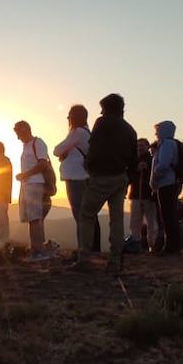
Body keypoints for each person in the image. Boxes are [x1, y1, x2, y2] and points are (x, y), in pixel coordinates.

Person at [78, 93, 137, 273]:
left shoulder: (102, 123)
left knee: (86, 215)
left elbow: (94, 148)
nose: (101, 112)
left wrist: (89, 167)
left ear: (107, 108)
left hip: (101, 176)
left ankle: (84, 259)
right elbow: (133, 159)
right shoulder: (130, 130)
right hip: (121, 177)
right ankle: (114, 261)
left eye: (102, 108)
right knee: (116, 219)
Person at [53, 105, 96, 252]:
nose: (68, 119)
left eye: (69, 116)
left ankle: (83, 249)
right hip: (83, 177)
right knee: (86, 215)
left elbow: (57, 150)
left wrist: (63, 153)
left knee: (79, 215)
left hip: (76, 178)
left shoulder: (77, 132)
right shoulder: (86, 132)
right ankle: (88, 248)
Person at [13, 121, 53, 261]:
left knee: (35, 218)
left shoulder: (38, 143)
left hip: (35, 184)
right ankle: (37, 249)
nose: (18, 137)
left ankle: (38, 252)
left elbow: (43, 164)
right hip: (28, 185)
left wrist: (25, 175)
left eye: (19, 133)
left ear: (27, 130)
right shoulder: (27, 146)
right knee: (33, 219)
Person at [151, 121, 183, 255]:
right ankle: (173, 246)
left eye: (158, 130)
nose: (156, 133)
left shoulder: (167, 144)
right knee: (170, 215)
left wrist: (155, 177)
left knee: (167, 216)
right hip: (170, 183)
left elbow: (163, 164)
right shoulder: (170, 144)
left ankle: (170, 247)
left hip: (166, 184)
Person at [127, 138, 160, 252]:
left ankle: (153, 245)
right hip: (136, 196)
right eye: (138, 146)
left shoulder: (153, 160)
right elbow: (128, 177)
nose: (140, 148)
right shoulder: (133, 161)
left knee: (151, 222)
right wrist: (136, 169)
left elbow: (156, 175)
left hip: (149, 196)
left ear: (147, 147)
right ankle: (136, 245)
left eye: (142, 145)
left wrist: (147, 169)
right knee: (135, 222)